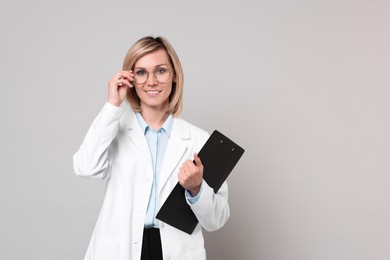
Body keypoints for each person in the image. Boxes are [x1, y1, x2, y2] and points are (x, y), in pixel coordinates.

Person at [73, 36, 230, 260]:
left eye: (161, 71)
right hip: (121, 249)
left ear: (174, 76)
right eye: (141, 72)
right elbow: (85, 167)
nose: (151, 81)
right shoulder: (114, 130)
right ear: (130, 78)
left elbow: (216, 219)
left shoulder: (198, 140)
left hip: (175, 250)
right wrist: (112, 105)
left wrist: (197, 190)